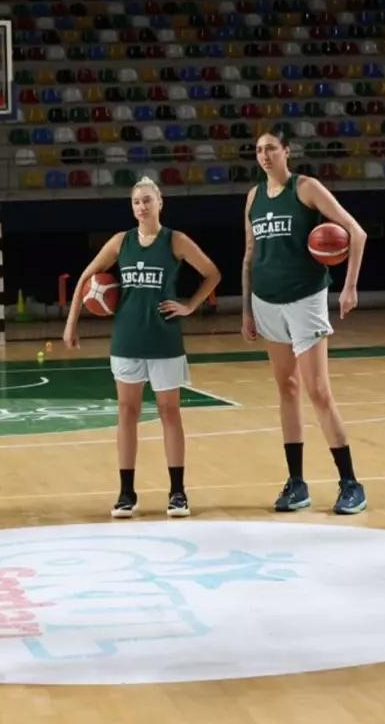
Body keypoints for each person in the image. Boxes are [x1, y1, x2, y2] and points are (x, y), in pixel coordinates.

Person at [63, 177, 220, 517]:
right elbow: (85, 278)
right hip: (127, 339)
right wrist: (71, 322)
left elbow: (212, 273)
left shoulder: (175, 240)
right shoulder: (121, 242)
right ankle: (126, 493)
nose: (142, 206)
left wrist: (190, 305)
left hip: (164, 339)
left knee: (169, 412)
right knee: (127, 413)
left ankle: (177, 493)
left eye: (147, 200)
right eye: (136, 202)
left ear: (160, 202)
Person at [242, 128, 368, 514]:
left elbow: (356, 232)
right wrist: (247, 308)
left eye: (271, 149)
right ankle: (297, 483)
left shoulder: (306, 188)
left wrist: (349, 287)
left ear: (286, 151)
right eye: (259, 150)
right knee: (287, 388)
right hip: (266, 301)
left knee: (318, 391)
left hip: (305, 298)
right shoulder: (253, 196)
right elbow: (250, 254)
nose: (264, 155)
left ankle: (351, 483)